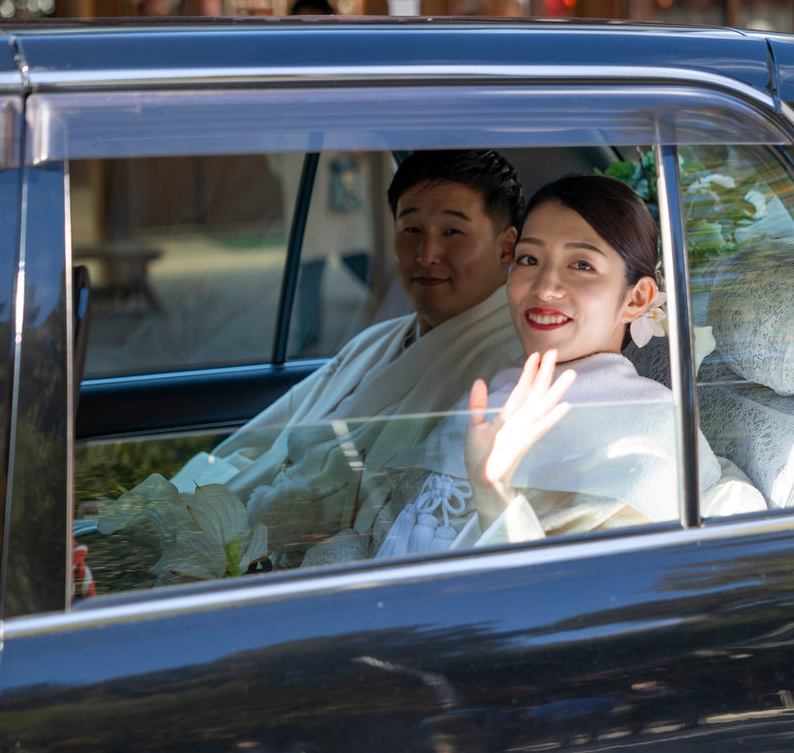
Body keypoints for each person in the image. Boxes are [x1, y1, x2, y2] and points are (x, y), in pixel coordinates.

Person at [302, 174, 762, 566]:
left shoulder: (651, 434)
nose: (545, 286)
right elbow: (381, 539)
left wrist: (494, 493)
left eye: (581, 265)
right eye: (529, 259)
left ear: (637, 298)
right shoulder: (494, 393)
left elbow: (573, 609)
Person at [146, 150, 526, 564]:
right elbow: (261, 443)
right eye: (411, 228)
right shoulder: (375, 341)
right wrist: (155, 510)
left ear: (506, 248)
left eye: (453, 232)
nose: (426, 253)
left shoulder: (506, 370)